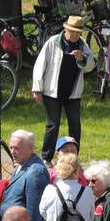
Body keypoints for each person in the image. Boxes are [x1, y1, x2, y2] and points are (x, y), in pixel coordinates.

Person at [31, 14, 92, 152]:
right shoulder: (53, 42)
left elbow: (90, 66)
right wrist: (37, 89)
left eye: (78, 32)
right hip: (52, 92)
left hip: (73, 93)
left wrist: (81, 58)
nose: (76, 35)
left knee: (75, 125)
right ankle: (47, 157)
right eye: (73, 32)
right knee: (53, 125)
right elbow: (40, 65)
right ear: (66, 30)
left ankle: (73, 155)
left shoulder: (82, 45)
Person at [0, 130, 51, 221]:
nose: (12, 152)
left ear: (30, 148)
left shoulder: (35, 173)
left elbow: (34, 216)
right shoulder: (21, 164)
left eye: (17, 148)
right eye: (11, 147)